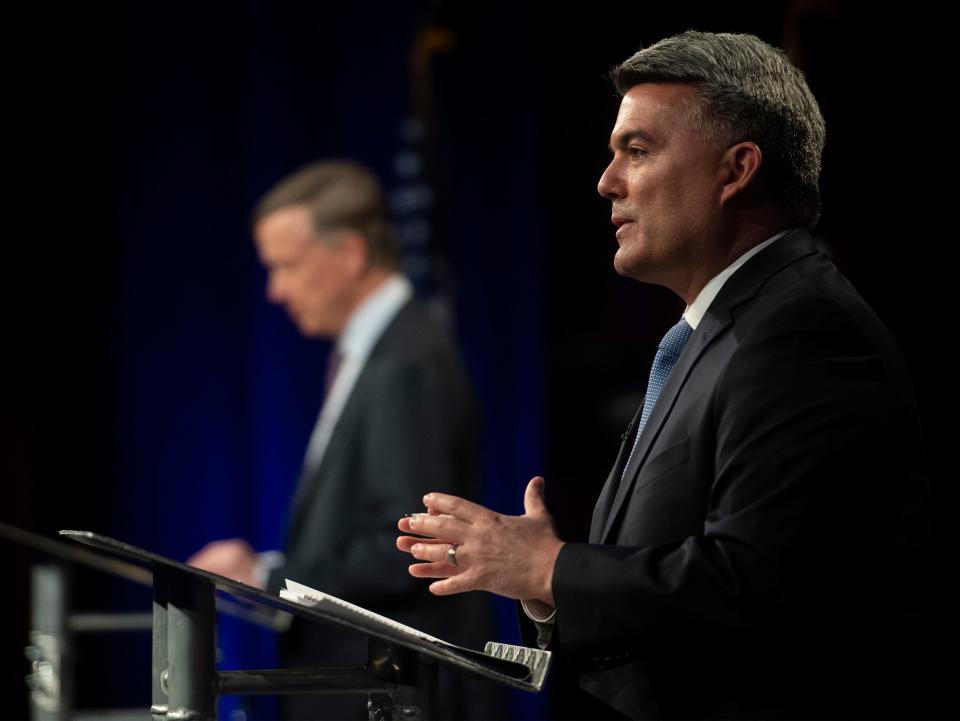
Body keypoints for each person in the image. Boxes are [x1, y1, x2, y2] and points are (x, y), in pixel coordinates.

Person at [398, 31, 928, 720]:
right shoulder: (711, 334)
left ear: (735, 170)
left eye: (638, 151)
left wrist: (551, 566)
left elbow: (750, 583)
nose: (606, 181)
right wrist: (549, 587)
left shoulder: (803, 332)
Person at [189, 160, 501, 720]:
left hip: (392, 697)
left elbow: (403, 545)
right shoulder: (378, 354)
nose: (275, 290)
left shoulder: (407, 362)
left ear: (351, 253)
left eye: (287, 266)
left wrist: (265, 578)